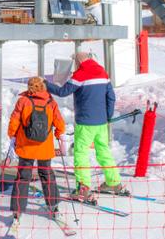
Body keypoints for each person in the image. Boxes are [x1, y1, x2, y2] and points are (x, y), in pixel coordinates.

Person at [45, 52, 127, 203]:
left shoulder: (80, 74)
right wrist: (107, 117)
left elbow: (63, 92)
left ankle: (83, 188)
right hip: (101, 123)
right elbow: (111, 96)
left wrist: (45, 84)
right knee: (103, 151)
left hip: (85, 123)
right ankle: (114, 182)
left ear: (78, 61)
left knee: (81, 153)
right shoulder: (102, 72)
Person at [8, 77, 66, 223]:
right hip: (44, 148)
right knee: (47, 175)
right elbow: (60, 123)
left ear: (30, 87)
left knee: (22, 177)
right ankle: (54, 207)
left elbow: (14, 121)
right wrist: (59, 135)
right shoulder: (51, 102)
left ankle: (17, 211)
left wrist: (12, 137)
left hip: (26, 146)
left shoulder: (23, 101)